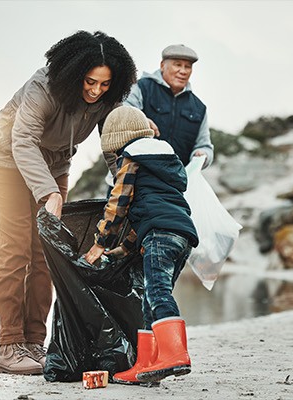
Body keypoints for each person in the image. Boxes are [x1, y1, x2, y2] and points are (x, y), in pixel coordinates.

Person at [0, 30, 136, 375]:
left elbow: (113, 149)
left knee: (46, 254)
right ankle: (9, 346)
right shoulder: (45, 87)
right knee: (15, 248)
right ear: (74, 73)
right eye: (90, 82)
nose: (96, 91)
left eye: (105, 85)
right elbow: (22, 141)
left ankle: (34, 342)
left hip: (56, 164)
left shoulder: (109, 101)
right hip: (5, 158)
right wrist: (48, 192)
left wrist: (127, 187)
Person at [84, 105, 199, 384]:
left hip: (160, 234)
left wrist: (101, 242)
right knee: (151, 298)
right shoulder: (164, 160)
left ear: (117, 138)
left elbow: (118, 202)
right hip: (180, 235)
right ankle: (147, 364)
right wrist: (126, 248)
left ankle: (175, 354)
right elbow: (148, 208)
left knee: (157, 292)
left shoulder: (131, 158)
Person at [123, 44, 213, 170]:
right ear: (162, 65)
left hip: (173, 183)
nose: (183, 71)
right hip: (132, 176)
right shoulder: (141, 88)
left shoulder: (199, 108)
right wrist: (139, 120)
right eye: (177, 64)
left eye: (188, 66)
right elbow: (122, 115)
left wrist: (203, 155)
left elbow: (205, 146)